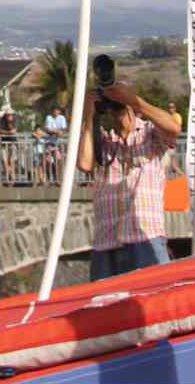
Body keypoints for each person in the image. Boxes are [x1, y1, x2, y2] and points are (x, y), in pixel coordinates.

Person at [77, 81, 181, 281]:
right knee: (103, 308)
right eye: (112, 104)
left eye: (120, 104)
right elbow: (84, 163)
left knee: (154, 301)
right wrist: (89, 116)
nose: (116, 109)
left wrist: (135, 101)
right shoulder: (104, 140)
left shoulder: (149, 132)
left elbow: (173, 128)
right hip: (106, 240)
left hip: (145, 236)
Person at [45, 107, 67, 183]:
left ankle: (58, 179)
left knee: (59, 161)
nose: (56, 112)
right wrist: (56, 132)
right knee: (49, 162)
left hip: (59, 143)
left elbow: (63, 129)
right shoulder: (48, 117)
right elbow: (48, 130)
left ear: (59, 111)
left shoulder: (62, 118)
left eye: (57, 110)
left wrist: (59, 132)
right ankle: (50, 179)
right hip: (50, 143)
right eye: (54, 110)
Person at [0, 107, 19, 183]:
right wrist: (8, 132)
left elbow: (14, 130)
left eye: (11, 114)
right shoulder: (2, 120)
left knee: (11, 161)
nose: (9, 116)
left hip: (13, 143)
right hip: (4, 144)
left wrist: (10, 123)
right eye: (8, 115)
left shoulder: (15, 120)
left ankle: (12, 178)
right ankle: (8, 178)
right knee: (4, 161)